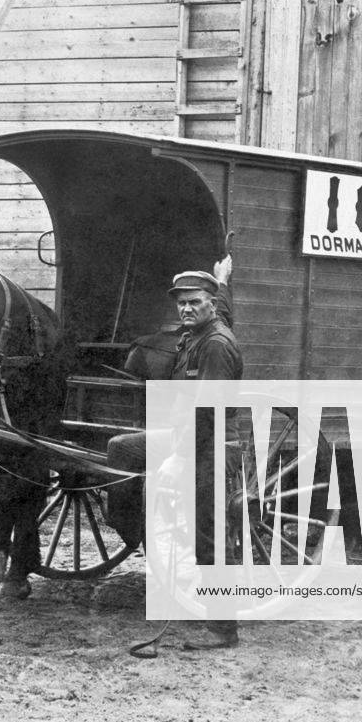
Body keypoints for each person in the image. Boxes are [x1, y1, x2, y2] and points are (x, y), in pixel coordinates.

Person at [107, 258, 244, 648]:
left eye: (195, 302)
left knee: (208, 536)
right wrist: (222, 280)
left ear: (209, 305)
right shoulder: (200, 332)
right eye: (181, 303)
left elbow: (209, 410)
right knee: (122, 450)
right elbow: (226, 312)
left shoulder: (215, 345)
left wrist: (178, 459)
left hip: (211, 445)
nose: (186, 309)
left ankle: (223, 629)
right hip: (189, 435)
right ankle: (132, 528)